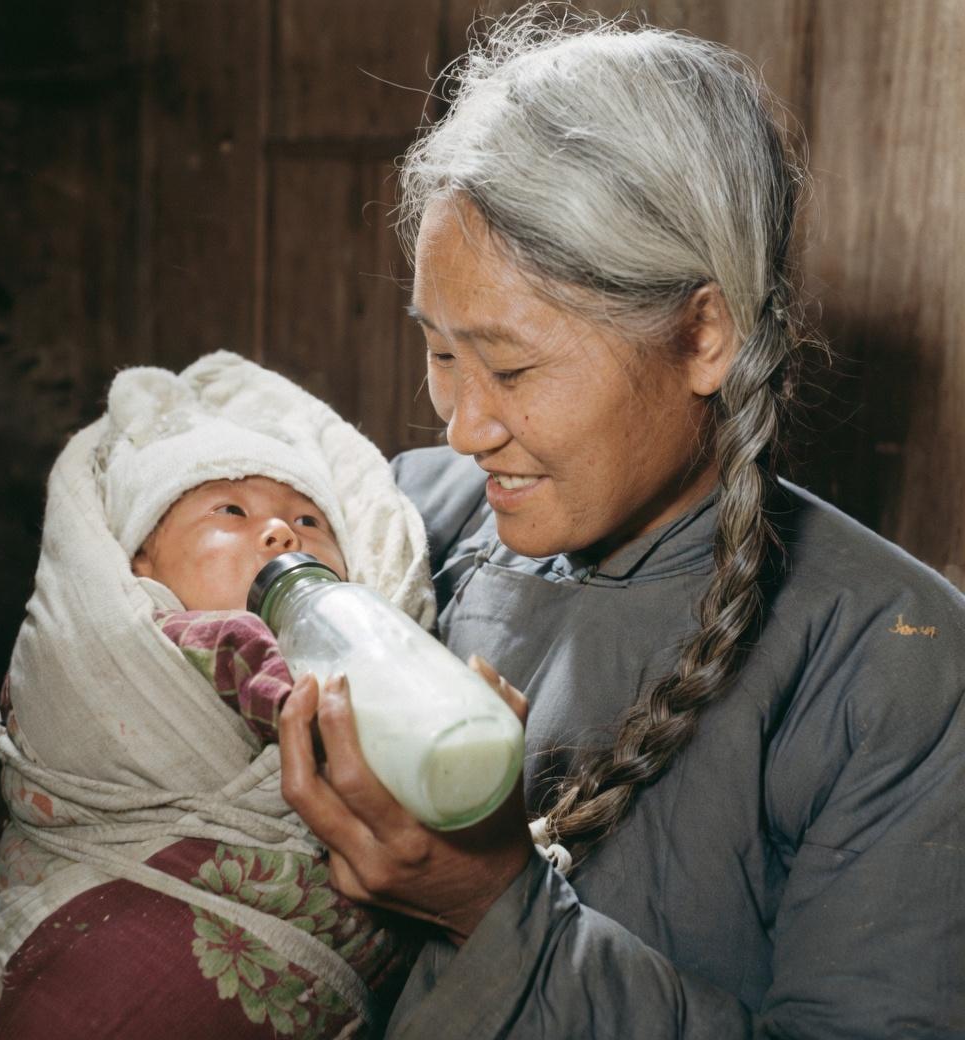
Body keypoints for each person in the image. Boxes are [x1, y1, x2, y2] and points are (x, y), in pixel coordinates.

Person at [276, 9, 965, 1039]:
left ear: (703, 336)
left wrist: (496, 911)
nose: (461, 427)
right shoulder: (400, 525)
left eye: (512, 368)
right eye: (441, 352)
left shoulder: (893, 661)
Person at [0, 351, 435, 1038]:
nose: (281, 531)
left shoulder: (353, 635)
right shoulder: (149, 631)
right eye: (232, 511)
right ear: (144, 558)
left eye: (310, 522)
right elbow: (242, 662)